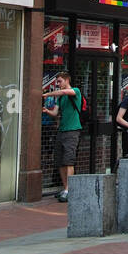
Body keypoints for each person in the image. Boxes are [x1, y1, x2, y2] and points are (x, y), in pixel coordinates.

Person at [42, 72, 82, 201]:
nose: (58, 84)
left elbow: (65, 92)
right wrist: (47, 111)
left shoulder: (75, 91)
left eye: (59, 82)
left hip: (72, 130)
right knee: (59, 161)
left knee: (68, 160)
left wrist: (48, 94)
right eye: (57, 82)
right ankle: (65, 188)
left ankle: (70, 190)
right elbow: (55, 112)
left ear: (66, 80)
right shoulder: (60, 98)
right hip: (62, 130)